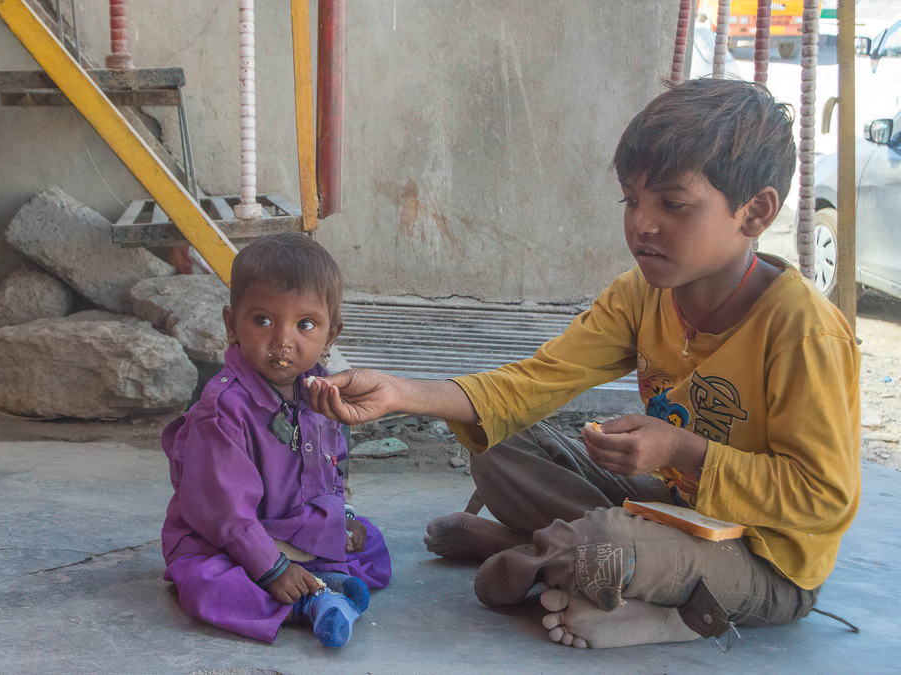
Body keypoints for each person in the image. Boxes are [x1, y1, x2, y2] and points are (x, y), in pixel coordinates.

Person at [309, 78, 860, 649]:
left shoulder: (803, 331)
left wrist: (679, 450)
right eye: (631, 199)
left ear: (756, 212)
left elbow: (824, 498)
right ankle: (555, 556)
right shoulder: (640, 294)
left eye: (672, 203)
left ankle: (621, 595)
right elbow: (532, 384)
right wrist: (401, 393)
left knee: (603, 547)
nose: (641, 224)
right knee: (499, 446)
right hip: (671, 511)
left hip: (767, 562)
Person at [161, 232, 391, 647]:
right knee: (205, 586)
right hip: (225, 541)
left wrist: (345, 517)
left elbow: (331, 468)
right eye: (263, 320)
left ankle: (322, 584)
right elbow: (224, 515)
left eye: (305, 324)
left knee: (370, 543)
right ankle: (310, 601)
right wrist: (273, 569)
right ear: (232, 324)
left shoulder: (318, 392)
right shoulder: (222, 411)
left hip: (293, 528)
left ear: (331, 334)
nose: (284, 340)